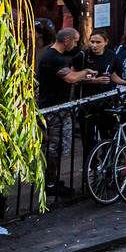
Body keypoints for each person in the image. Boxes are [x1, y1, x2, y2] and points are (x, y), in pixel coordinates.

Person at [35, 27, 92, 198]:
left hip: (60, 108)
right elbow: (71, 78)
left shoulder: (58, 57)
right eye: (75, 40)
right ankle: (50, 183)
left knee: (59, 147)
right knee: (53, 147)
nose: (75, 44)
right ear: (66, 40)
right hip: (53, 110)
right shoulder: (52, 57)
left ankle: (53, 180)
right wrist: (86, 72)